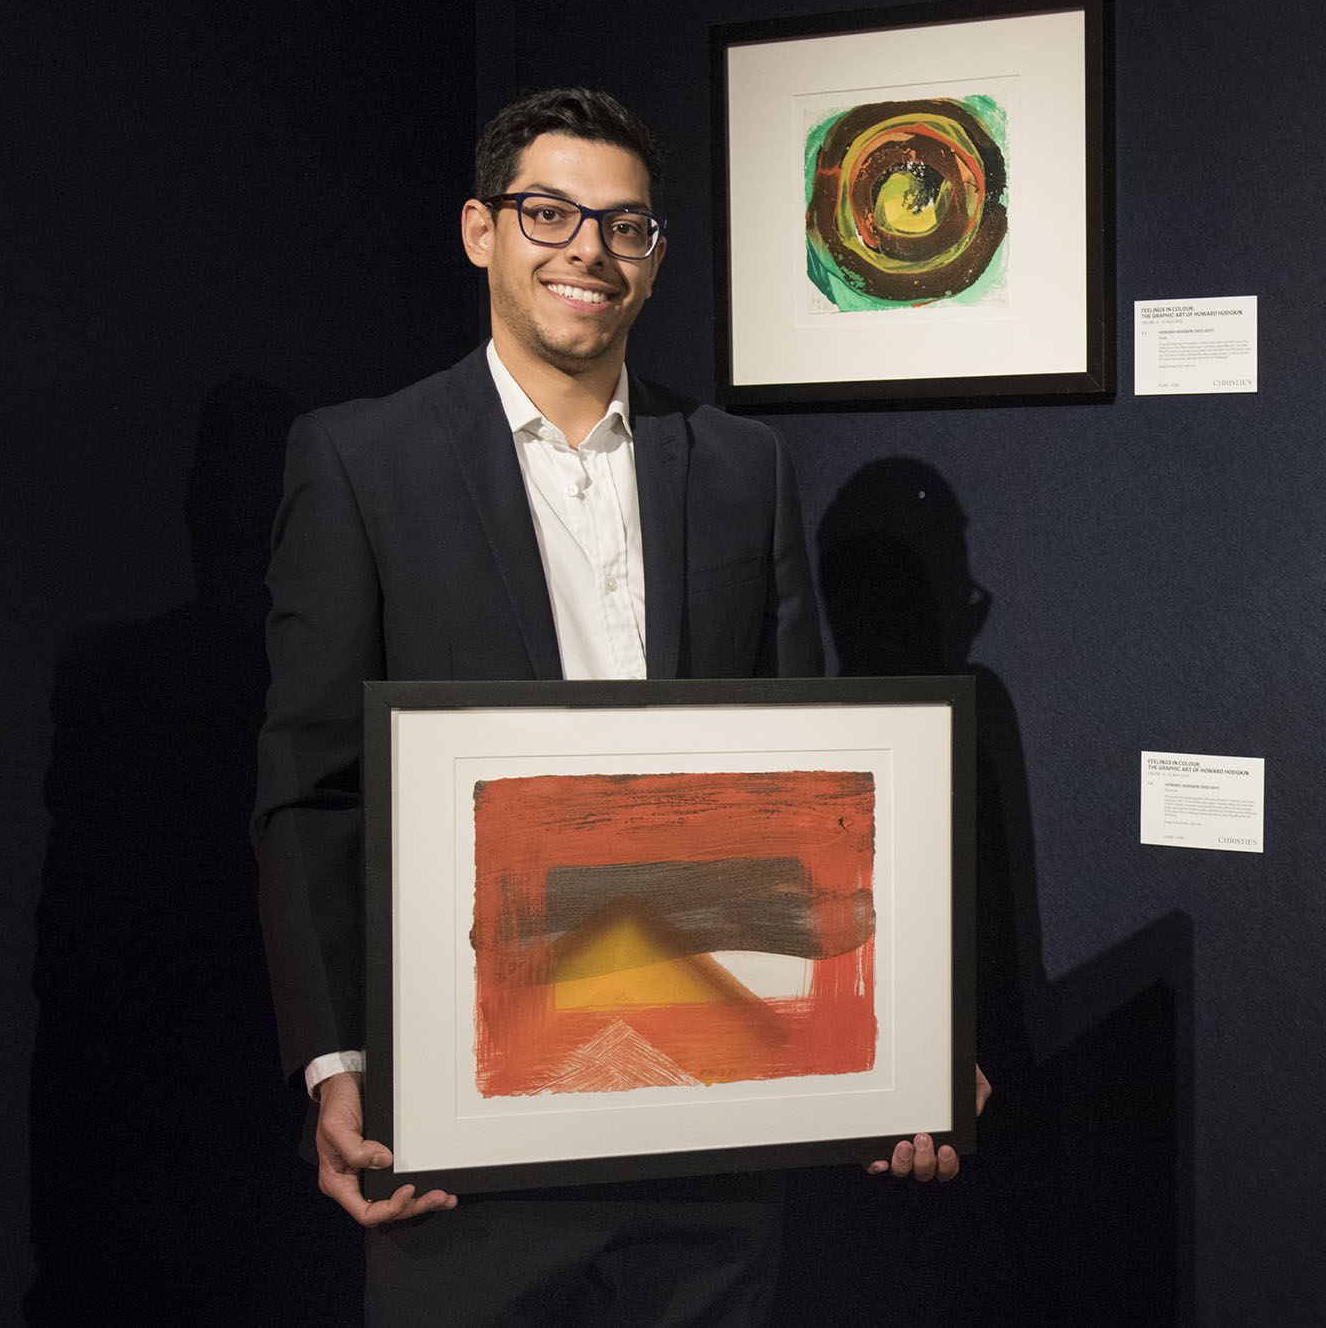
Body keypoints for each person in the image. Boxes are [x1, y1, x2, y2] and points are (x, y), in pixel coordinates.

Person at [251, 87, 979, 1326]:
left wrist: (903, 1039)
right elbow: (314, 785)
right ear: (481, 230)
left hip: (711, 1112)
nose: (588, 249)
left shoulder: (742, 465)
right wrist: (338, 1063)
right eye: (550, 213)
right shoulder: (361, 460)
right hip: (469, 1118)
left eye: (624, 226)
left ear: (651, 260)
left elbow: (819, 785)